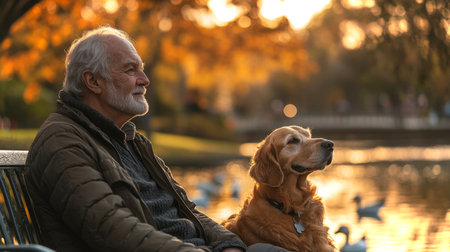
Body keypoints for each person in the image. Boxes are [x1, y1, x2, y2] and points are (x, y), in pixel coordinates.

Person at [24, 26, 288, 252]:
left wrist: (228, 243)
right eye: (131, 70)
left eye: (142, 69)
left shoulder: (132, 141)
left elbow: (187, 210)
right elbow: (111, 229)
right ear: (93, 82)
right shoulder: (62, 140)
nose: (145, 80)